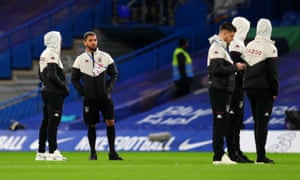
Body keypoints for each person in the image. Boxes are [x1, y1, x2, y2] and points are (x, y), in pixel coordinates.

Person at [71, 31, 123, 161]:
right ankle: (93, 153)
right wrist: (82, 92)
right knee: (91, 125)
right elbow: (74, 79)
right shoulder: (80, 59)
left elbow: (114, 74)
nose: (93, 42)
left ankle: (112, 153)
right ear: (85, 42)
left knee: (110, 122)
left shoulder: (105, 57)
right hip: (90, 99)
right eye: (90, 40)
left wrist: (109, 88)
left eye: (95, 40)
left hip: (104, 98)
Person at [207, 22, 246, 164]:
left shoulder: (222, 48)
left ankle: (220, 154)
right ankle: (218, 156)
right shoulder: (216, 48)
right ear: (224, 33)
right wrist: (235, 67)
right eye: (231, 35)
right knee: (219, 123)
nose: (232, 38)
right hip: (219, 90)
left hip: (223, 90)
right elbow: (216, 70)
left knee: (222, 123)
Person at [244, 18, 278, 164]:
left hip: (249, 88)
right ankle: (261, 156)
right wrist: (275, 91)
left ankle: (260, 155)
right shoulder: (270, 48)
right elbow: (273, 73)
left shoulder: (249, 45)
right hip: (264, 89)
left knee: (257, 122)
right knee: (262, 123)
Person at [35, 31, 69, 161]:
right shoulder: (52, 54)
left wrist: (46, 84)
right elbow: (52, 74)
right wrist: (63, 87)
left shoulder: (43, 53)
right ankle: (53, 151)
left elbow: (41, 74)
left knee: (46, 121)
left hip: (46, 90)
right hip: (54, 92)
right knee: (53, 121)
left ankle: (41, 151)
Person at [227, 16, 253, 163]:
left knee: (237, 121)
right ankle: (233, 152)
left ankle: (236, 151)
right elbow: (236, 64)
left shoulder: (238, 43)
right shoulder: (236, 44)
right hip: (235, 88)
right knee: (234, 121)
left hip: (238, 87)